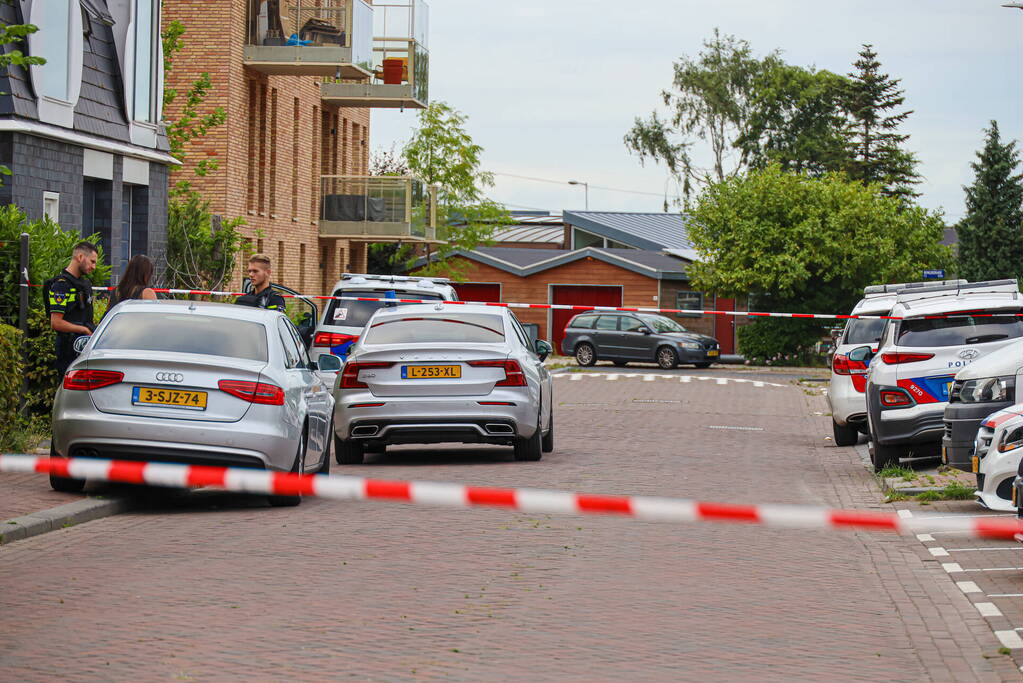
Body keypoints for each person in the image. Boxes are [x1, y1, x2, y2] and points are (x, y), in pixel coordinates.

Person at [45, 241, 98, 377]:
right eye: (92, 262)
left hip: (83, 347)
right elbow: (56, 323)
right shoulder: (61, 286)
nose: (94, 267)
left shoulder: (84, 284)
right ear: (80, 257)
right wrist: (84, 330)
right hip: (68, 348)